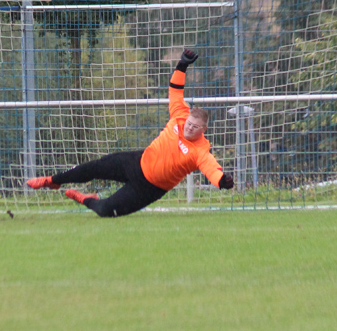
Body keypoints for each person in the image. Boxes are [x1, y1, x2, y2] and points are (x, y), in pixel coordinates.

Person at [26, 49, 234, 217]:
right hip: (136, 161)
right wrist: (182, 65)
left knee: (107, 211)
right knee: (93, 167)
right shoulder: (180, 115)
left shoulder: (200, 150)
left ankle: (85, 199)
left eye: (194, 127)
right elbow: (175, 90)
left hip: (149, 188)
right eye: (189, 123)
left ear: (203, 130)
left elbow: (211, 168)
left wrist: (222, 181)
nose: (189, 127)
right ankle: (52, 180)